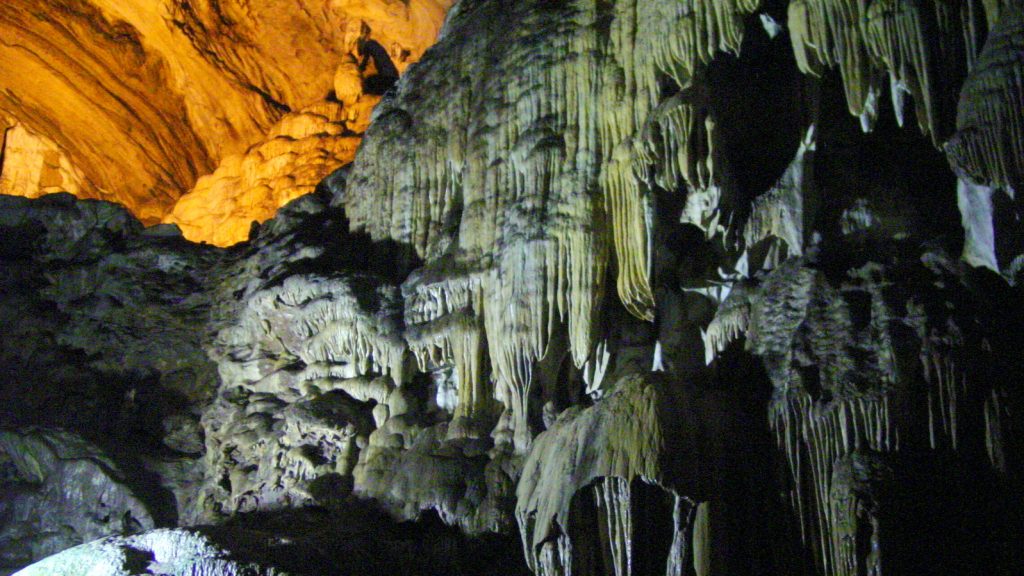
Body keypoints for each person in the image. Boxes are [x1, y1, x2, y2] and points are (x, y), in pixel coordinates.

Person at [355, 22, 399, 95]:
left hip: (388, 77)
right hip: (392, 75)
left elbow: (364, 60)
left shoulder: (369, 44)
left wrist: (359, 70)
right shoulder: (373, 43)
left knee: (369, 82)